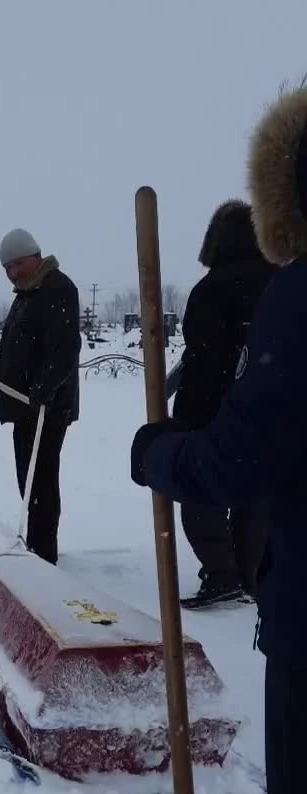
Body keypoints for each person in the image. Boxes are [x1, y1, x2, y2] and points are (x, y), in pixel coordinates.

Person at [130, 87, 307, 794]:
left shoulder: (294, 296)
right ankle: (234, 568)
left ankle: (223, 571)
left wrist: (160, 449)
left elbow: (239, 453)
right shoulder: (275, 290)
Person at [172, 200, 276, 608]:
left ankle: (221, 573)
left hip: (211, 409)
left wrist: (187, 417)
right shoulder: (279, 282)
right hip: (267, 410)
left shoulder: (211, 289)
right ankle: (247, 574)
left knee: (199, 488)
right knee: (254, 493)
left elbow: (202, 355)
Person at [0, 229, 81, 564]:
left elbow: (65, 348)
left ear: (35, 257)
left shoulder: (56, 288)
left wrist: (44, 389)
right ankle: (37, 544)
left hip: (45, 408)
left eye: (17, 264)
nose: (12, 273)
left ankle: (43, 553)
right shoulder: (27, 294)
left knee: (39, 482)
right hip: (25, 407)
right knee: (29, 480)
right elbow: (21, 347)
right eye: (7, 268)